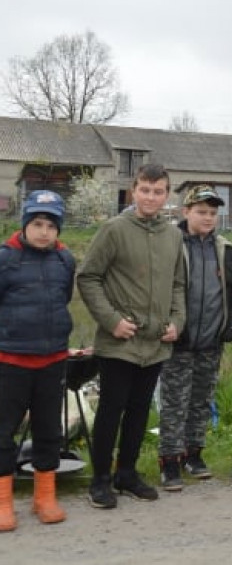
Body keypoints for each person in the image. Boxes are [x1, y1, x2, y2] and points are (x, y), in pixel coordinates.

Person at [78, 165, 186, 509]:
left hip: (155, 343)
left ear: (167, 194)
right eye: (145, 190)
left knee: (140, 412)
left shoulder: (174, 235)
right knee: (111, 410)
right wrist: (111, 321)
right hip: (120, 342)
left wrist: (177, 321)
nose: (151, 197)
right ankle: (100, 480)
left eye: (158, 191)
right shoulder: (114, 230)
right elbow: (88, 277)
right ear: (133, 191)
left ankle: (127, 473)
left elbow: (178, 284)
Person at [157, 185, 232, 490]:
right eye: (201, 212)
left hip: (211, 340)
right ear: (186, 212)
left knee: (200, 401)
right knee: (174, 402)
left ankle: (193, 455)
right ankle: (169, 460)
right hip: (178, 339)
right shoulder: (171, 243)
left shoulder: (224, 248)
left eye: (212, 213)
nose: (208, 218)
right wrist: (167, 324)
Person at [0, 191, 75, 531]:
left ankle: (45, 496)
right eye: (37, 224)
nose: (43, 231)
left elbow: (65, 297)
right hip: (10, 361)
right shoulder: (5, 258)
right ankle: (3, 501)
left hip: (52, 360)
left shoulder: (65, 261)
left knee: (49, 431)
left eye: (50, 225)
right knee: (2, 433)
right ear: (25, 224)